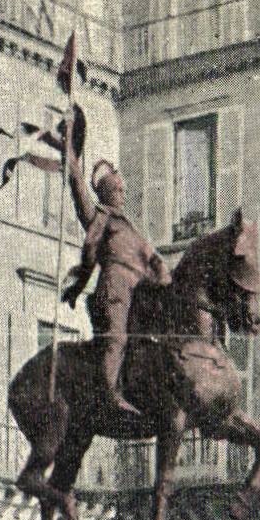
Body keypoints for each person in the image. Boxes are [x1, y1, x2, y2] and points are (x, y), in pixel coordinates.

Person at [61, 149, 172, 419]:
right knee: (116, 339)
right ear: (107, 193)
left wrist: (164, 276)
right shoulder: (102, 218)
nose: (123, 194)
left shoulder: (130, 229)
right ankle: (109, 394)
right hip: (114, 292)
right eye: (118, 190)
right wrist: (70, 156)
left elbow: (152, 257)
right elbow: (78, 191)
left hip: (139, 295)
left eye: (123, 189)